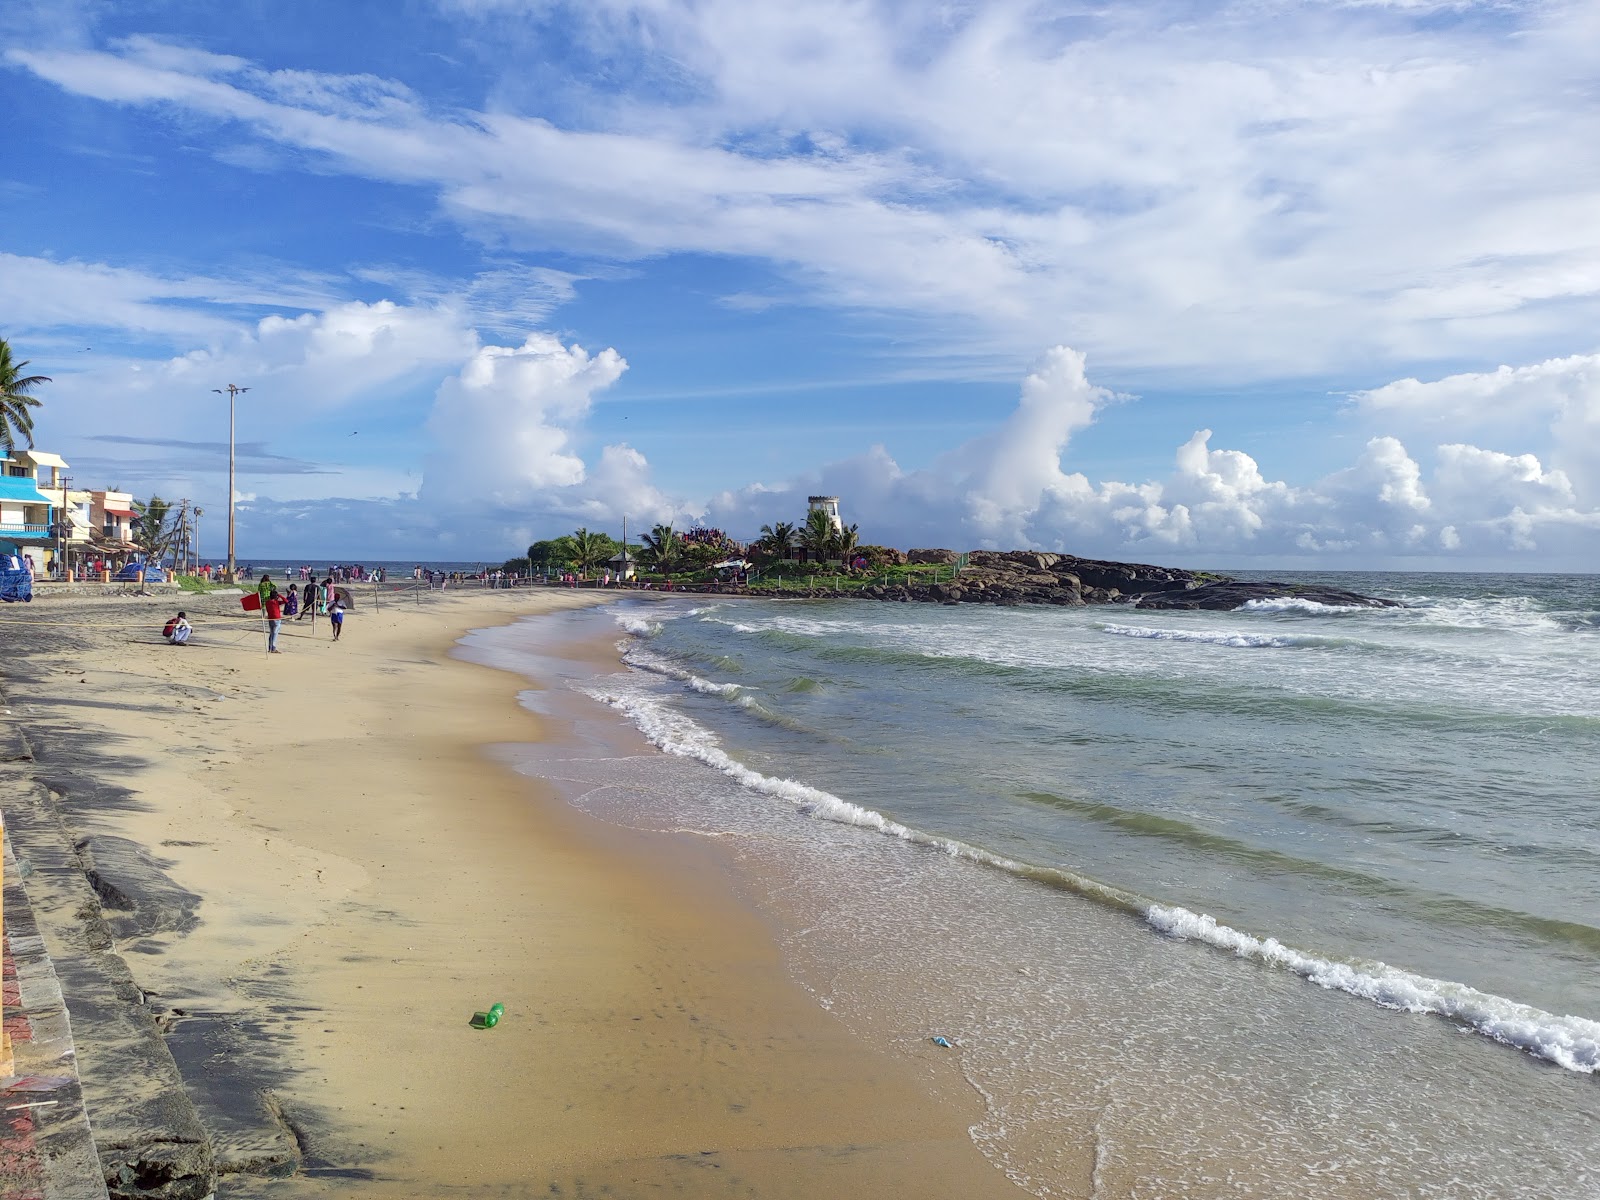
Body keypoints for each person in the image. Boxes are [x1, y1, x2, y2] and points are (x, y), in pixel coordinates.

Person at [264, 587, 284, 653]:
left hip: (270, 618)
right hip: (277, 619)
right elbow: (286, 601)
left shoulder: (267, 602)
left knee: (271, 633)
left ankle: (270, 647)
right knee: (275, 634)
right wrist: (280, 595)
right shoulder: (276, 602)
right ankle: (273, 648)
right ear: (276, 596)